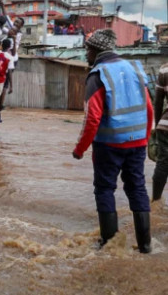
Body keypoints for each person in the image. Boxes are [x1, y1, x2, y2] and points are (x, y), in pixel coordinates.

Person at [72, 29, 152, 254]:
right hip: (137, 142)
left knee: (105, 189)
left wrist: (80, 149)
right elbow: (149, 108)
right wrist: (144, 138)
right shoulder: (135, 68)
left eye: (87, 49)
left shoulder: (98, 74)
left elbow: (92, 118)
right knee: (137, 188)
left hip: (109, 144)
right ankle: (146, 246)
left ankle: (109, 245)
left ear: (95, 50)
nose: (86, 54)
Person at [151, 62, 168, 203]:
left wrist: (157, 126)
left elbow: (158, 102)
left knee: (162, 164)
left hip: (165, 126)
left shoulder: (164, 69)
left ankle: (156, 201)